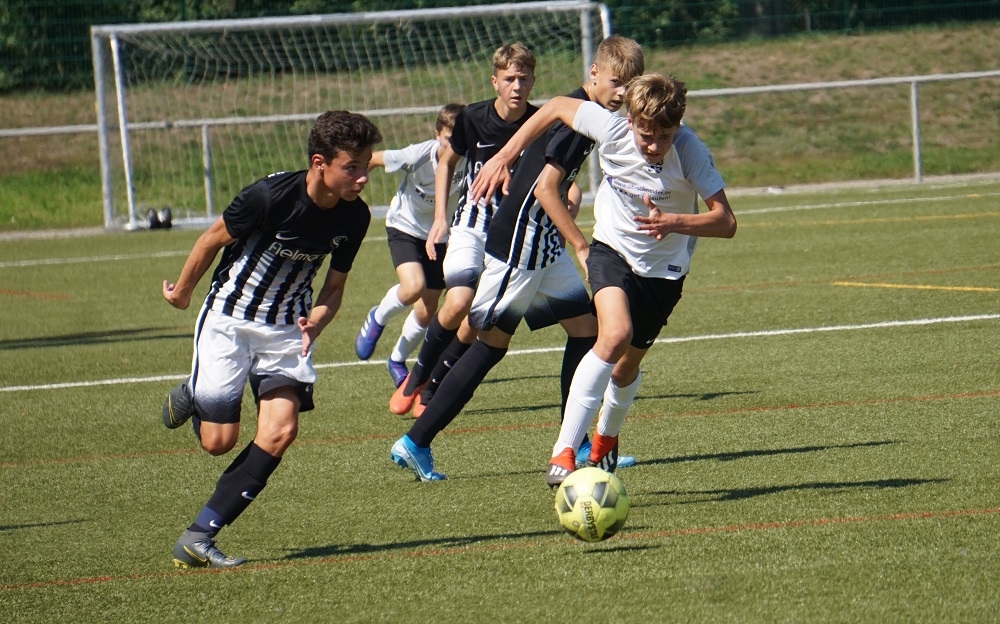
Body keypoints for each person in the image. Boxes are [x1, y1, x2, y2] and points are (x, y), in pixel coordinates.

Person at [389, 36, 645, 482]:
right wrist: (582, 247)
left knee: (586, 331)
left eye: (630, 84)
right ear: (594, 74)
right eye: (616, 82)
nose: (622, 93)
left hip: (541, 245)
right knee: (490, 344)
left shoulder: (580, 108)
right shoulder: (578, 119)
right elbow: (546, 189)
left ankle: (578, 441)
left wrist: (510, 159)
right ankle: (416, 441)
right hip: (522, 244)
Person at [471, 73, 737, 488]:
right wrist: (505, 155)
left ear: (678, 127)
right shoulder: (610, 127)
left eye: (664, 137)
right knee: (613, 336)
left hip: (663, 273)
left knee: (624, 370)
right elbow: (556, 106)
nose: (654, 146)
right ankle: (564, 449)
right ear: (629, 121)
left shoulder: (689, 150)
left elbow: (726, 222)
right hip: (611, 252)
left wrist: (675, 222)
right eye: (646, 135)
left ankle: (606, 437)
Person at [160, 110, 382, 568]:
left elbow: (334, 288)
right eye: (352, 167)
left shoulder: (355, 216)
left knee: (280, 430)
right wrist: (182, 292)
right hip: (230, 320)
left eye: (365, 166)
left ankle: (199, 535)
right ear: (319, 162)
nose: (363, 177)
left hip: (285, 330)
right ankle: (193, 393)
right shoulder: (269, 197)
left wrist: (317, 321)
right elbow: (210, 240)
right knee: (218, 441)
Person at [387, 42, 538, 419]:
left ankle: (433, 387)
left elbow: (556, 175)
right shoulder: (473, 117)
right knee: (456, 302)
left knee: (477, 318)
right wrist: (440, 216)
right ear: (494, 81)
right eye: (509, 79)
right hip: (471, 225)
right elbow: (446, 163)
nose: (517, 86)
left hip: (512, 235)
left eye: (523, 79)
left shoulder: (539, 123)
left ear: (533, 81)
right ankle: (416, 376)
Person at [353, 103, 466, 388]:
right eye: (448, 138)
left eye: (460, 139)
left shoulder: (470, 159)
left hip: (441, 236)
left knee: (427, 310)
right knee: (413, 286)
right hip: (405, 227)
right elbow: (373, 158)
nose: (453, 146)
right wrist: (354, 186)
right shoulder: (416, 155)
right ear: (437, 134)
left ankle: (397, 359)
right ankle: (378, 317)